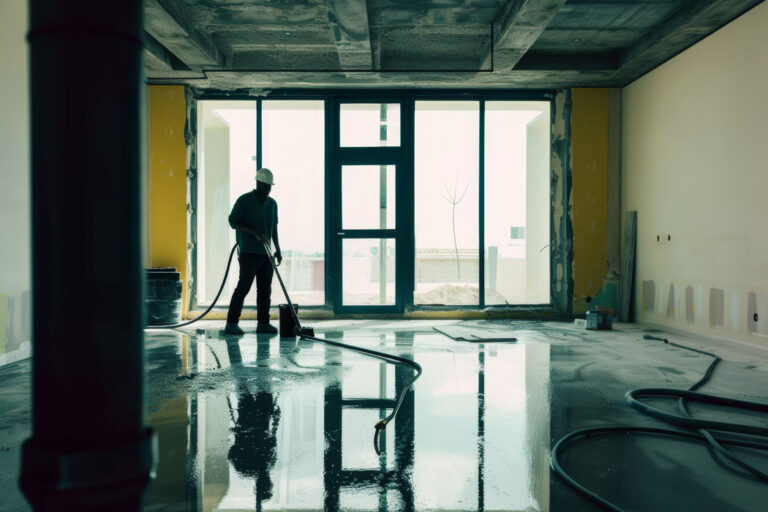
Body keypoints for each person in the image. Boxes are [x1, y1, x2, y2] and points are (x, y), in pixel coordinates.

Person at [224, 168, 282, 335]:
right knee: (244, 287)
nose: (268, 189)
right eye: (265, 186)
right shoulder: (244, 201)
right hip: (249, 253)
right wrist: (254, 233)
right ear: (258, 183)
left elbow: (274, 228)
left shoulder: (272, 204)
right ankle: (231, 324)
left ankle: (263, 323)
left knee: (265, 290)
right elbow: (233, 222)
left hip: (266, 254)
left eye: (270, 186)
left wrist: (277, 249)